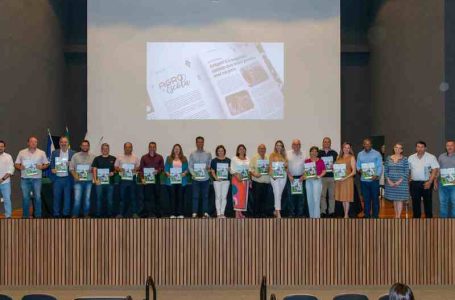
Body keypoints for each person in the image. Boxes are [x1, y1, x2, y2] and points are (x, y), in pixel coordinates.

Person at [15, 136, 49, 218]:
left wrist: (42, 167)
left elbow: (47, 164)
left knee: (37, 197)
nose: (34, 143)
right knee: (25, 198)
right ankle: (25, 217)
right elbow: (16, 164)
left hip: (37, 179)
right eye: (32, 141)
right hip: (25, 179)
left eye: (35, 142)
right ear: (28, 143)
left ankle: (38, 216)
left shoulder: (42, 153)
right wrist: (20, 167)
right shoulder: (21, 152)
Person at [408, 141, 439, 218]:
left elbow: (435, 170)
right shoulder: (411, 157)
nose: (420, 149)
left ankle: (429, 221)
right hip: (414, 184)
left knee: (427, 203)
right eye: (418, 147)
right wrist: (409, 179)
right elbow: (408, 170)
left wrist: (430, 182)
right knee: (415, 203)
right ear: (416, 148)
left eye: (422, 147)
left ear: (425, 148)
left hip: (427, 183)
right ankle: (416, 220)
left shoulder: (431, 157)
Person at [356, 138, 383, 218]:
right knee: (366, 199)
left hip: (374, 180)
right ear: (363, 145)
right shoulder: (360, 154)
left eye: (368, 144)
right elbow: (357, 165)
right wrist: (360, 170)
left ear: (371, 144)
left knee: (375, 199)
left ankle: (375, 216)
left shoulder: (377, 153)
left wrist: (377, 175)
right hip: (364, 181)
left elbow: (379, 166)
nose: (367, 145)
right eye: (365, 144)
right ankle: (367, 215)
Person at [49, 136, 75, 218]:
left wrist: (71, 163)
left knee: (67, 197)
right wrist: (52, 169)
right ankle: (56, 214)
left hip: (68, 178)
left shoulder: (73, 153)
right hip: (57, 179)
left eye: (65, 142)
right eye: (62, 142)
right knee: (56, 197)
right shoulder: (54, 152)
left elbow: (76, 166)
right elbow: (52, 164)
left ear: (68, 143)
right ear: (59, 143)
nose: (63, 143)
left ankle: (66, 214)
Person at [69, 140, 95, 218]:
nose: (85, 147)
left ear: (89, 147)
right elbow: (71, 168)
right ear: (80, 146)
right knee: (77, 199)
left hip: (89, 181)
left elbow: (95, 168)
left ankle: (86, 214)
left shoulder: (93, 156)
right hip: (78, 181)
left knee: (87, 200)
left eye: (86, 145)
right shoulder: (75, 156)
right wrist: (75, 176)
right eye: (83, 145)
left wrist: (92, 170)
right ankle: (75, 215)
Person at [115, 142, 141, 218]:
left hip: (132, 179)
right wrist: (120, 169)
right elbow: (115, 166)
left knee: (133, 196)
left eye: (129, 147)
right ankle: (120, 213)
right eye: (126, 147)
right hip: (122, 179)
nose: (128, 148)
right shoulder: (119, 157)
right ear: (124, 148)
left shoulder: (135, 157)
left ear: (132, 148)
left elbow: (138, 167)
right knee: (122, 197)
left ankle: (134, 213)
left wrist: (135, 169)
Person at [188, 136, 212, 218]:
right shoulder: (192, 154)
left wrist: (208, 167)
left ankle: (205, 212)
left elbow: (209, 165)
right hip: (195, 179)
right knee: (195, 196)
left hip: (205, 178)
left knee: (205, 196)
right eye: (198, 142)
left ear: (203, 143)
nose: (200, 143)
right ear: (196, 143)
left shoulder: (208, 154)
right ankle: (194, 213)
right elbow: (190, 166)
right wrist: (193, 174)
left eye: (201, 142)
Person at [384, 143, 409, 218]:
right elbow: (386, 171)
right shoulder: (388, 158)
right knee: (394, 199)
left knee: (400, 200)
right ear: (394, 148)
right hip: (390, 182)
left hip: (401, 183)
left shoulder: (405, 159)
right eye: (396, 147)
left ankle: (398, 216)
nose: (397, 149)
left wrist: (399, 181)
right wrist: (389, 180)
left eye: (399, 148)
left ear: (401, 150)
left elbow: (406, 171)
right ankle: (396, 215)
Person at [139, 142, 164, 218]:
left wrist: (158, 171)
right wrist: (142, 179)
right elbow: (141, 169)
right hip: (147, 179)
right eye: (151, 147)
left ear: (155, 148)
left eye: (154, 147)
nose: (152, 148)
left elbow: (162, 167)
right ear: (148, 148)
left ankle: (157, 213)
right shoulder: (144, 157)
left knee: (157, 197)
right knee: (147, 198)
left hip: (156, 179)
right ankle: (146, 213)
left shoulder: (160, 157)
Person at [92, 143, 116, 217]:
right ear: (101, 150)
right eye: (103, 148)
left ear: (108, 149)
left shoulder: (113, 158)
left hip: (110, 183)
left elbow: (116, 169)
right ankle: (98, 215)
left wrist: (113, 172)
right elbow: (94, 169)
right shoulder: (97, 158)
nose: (105, 150)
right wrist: (95, 180)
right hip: (99, 183)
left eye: (106, 148)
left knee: (110, 200)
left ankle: (110, 215)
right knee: (99, 200)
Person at [164, 144, 189, 218]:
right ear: (173, 149)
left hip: (182, 181)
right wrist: (168, 174)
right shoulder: (169, 158)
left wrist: (185, 173)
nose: (177, 150)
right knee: (172, 197)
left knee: (180, 197)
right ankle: (172, 213)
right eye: (175, 148)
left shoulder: (184, 158)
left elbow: (187, 169)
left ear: (180, 150)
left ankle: (180, 213)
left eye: (178, 149)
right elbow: (166, 169)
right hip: (171, 181)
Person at [286, 139, 308, 218]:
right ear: (292, 145)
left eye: (298, 144)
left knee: (301, 197)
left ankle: (300, 214)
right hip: (291, 177)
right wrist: (289, 175)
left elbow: (307, 167)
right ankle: (291, 213)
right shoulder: (287, 154)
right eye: (294, 144)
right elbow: (285, 166)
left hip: (301, 178)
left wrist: (304, 175)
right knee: (290, 196)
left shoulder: (305, 154)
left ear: (300, 145)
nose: (296, 146)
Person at [334, 142, 356, 218]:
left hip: (347, 180)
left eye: (348, 148)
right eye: (345, 147)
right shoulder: (338, 157)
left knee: (347, 198)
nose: (346, 149)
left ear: (350, 149)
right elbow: (336, 168)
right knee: (343, 198)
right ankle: (345, 214)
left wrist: (345, 178)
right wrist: (334, 170)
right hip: (339, 180)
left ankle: (346, 215)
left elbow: (354, 171)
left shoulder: (351, 157)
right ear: (342, 148)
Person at [249, 144, 271, 217]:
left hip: (266, 182)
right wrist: (255, 174)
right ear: (258, 149)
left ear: (265, 150)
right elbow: (250, 169)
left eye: (263, 148)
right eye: (260, 148)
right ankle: (256, 214)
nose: (262, 150)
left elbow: (271, 168)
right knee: (257, 199)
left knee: (265, 199)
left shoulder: (268, 157)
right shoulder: (254, 158)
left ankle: (263, 213)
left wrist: (269, 169)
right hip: (257, 182)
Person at [318, 137, 338, 218]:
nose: (326, 143)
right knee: (322, 195)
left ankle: (331, 211)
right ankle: (323, 211)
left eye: (328, 142)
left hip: (332, 177)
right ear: (322, 143)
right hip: (322, 177)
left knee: (332, 195)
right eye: (325, 142)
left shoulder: (334, 153)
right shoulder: (319, 152)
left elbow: (337, 164)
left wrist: (335, 167)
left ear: (330, 143)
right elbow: (317, 163)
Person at [304, 146, 326, 218]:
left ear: (317, 153)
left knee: (316, 199)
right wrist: (304, 176)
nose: (314, 152)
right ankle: (311, 217)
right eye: (312, 151)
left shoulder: (320, 161)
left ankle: (316, 217)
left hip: (317, 180)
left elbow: (324, 171)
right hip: (308, 181)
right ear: (310, 152)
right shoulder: (307, 161)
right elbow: (305, 172)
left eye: (315, 151)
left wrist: (319, 176)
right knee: (310, 199)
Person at [210, 145, 231, 218]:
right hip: (217, 181)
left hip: (226, 181)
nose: (220, 152)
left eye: (222, 151)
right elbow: (212, 171)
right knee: (218, 197)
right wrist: (216, 178)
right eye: (219, 151)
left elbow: (231, 171)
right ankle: (218, 213)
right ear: (217, 152)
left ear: (224, 151)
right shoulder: (213, 160)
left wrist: (229, 170)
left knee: (224, 197)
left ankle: (222, 213)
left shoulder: (228, 160)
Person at [230, 144, 250, 219]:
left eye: (243, 149)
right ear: (238, 151)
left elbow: (249, 169)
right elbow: (231, 169)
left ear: (245, 150)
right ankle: (236, 213)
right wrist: (237, 175)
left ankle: (240, 212)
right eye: (240, 149)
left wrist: (250, 179)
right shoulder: (234, 159)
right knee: (237, 197)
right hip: (237, 180)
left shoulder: (248, 158)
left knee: (243, 197)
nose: (242, 150)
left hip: (245, 180)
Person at [436, 140, 455, 218]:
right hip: (442, 184)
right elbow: (437, 170)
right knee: (443, 203)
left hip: (454, 184)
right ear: (445, 147)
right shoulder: (441, 156)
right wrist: (435, 181)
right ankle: (444, 223)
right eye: (448, 145)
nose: (449, 147)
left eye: (451, 145)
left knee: (454, 202)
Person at [269, 140, 287, 218]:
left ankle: (276, 210)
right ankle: (278, 212)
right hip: (274, 176)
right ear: (275, 146)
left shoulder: (285, 156)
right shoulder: (272, 155)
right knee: (276, 193)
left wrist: (286, 165)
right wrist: (273, 175)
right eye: (277, 145)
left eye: (280, 145)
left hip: (283, 176)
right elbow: (270, 166)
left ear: (282, 147)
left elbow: (286, 167)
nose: (278, 146)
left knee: (279, 194)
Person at [0, 141, 15, 218]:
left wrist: (2, 179)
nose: (0, 148)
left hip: (5, 182)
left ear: (4, 147)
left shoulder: (8, 156)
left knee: (7, 200)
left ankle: (8, 216)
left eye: (2, 146)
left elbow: (11, 170)